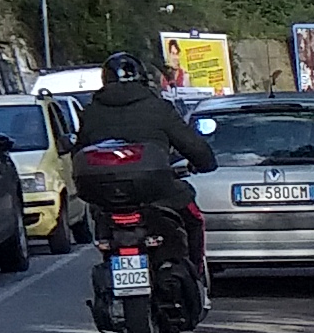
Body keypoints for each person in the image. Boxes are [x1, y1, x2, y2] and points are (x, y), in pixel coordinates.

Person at [71, 48, 217, 291]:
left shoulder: (91, 111)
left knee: (103, 227)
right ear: (141, 78)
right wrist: (205, 163)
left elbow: (80, 151)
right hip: (157, 193)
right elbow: (192, 145)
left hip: (106, 198)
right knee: (193, 219)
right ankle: (197, 278)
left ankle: (114, 278)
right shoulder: (157, 107)